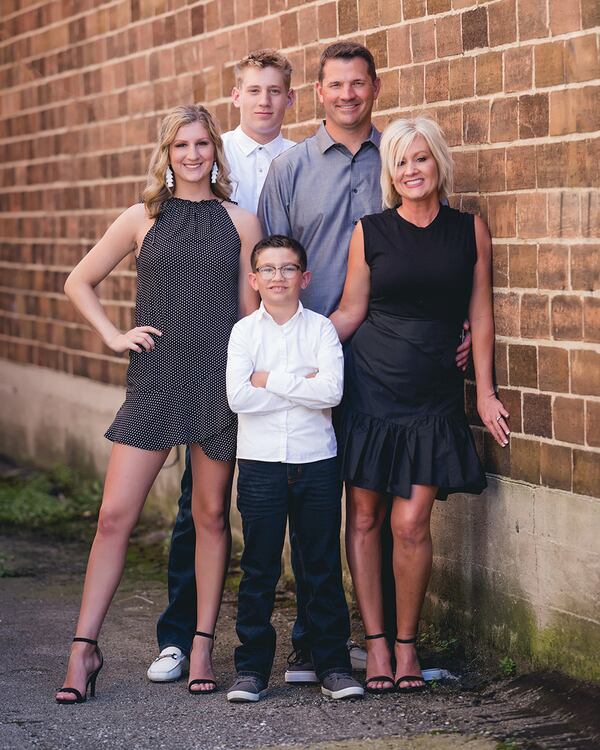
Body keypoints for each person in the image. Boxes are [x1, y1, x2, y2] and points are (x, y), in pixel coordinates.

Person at [258, 42, 471, 685]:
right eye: (336, 85)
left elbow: (428, 254)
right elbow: (269, 265)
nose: (348, 94)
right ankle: (318, 640)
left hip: (393, 361)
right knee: (322, 502)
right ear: (319, 93)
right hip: (317, 355)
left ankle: (379, 642)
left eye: (359, 83)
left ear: (375, 88)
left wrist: (445, 321)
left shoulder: (400, 157)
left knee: (381, 507)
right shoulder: (291, 169)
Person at [55, 104, 261, 704]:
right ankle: (83, 648)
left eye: (202, 144)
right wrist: (115, 336)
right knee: (114, 517)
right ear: (166, 156)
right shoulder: (142, 218)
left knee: (211, 517)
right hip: (156, 380)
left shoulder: (242, 222)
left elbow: (250, 317)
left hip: (216, 383)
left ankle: (200, 646)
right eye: (181, 146)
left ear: (215, 154)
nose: (193, 155)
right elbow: (78, 281)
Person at [330, 116, 510, 694]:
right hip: (371, 388)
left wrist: (483, 392)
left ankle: (408, 646)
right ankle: (376, 646)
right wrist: (287, 344)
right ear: (391, 172)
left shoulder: (469, 231)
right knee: (364, 517)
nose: (411, 170)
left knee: (411, 523)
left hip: (433, 394)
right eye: (401, 162)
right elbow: (351, 312)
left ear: (438, 164)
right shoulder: (371, 231)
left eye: (421, 159)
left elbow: (480, 315)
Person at [148, 50, 298, 684]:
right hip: (203, 360)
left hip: (281, 347)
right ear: (236, 97)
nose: (263, 101)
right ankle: (180, 636)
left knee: (268, 499)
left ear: (291, 98)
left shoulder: (300, 160)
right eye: (252, 91)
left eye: (274, 91)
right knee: (198, 506)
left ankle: (276, 644)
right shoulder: (215, 153)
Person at [225, 235, 364, 703]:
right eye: (268, 269)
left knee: (321, 564)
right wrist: (300, 383)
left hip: (316, 463)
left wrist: (270, 380)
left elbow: (331, 393)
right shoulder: (245, 333)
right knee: (259, 566)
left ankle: (332, 665)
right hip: (262, 464)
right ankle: (252, 669)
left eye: (288, 269)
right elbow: (238, 398)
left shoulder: (321, 330)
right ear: (254, 279)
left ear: (304, 278)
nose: (278, 277)